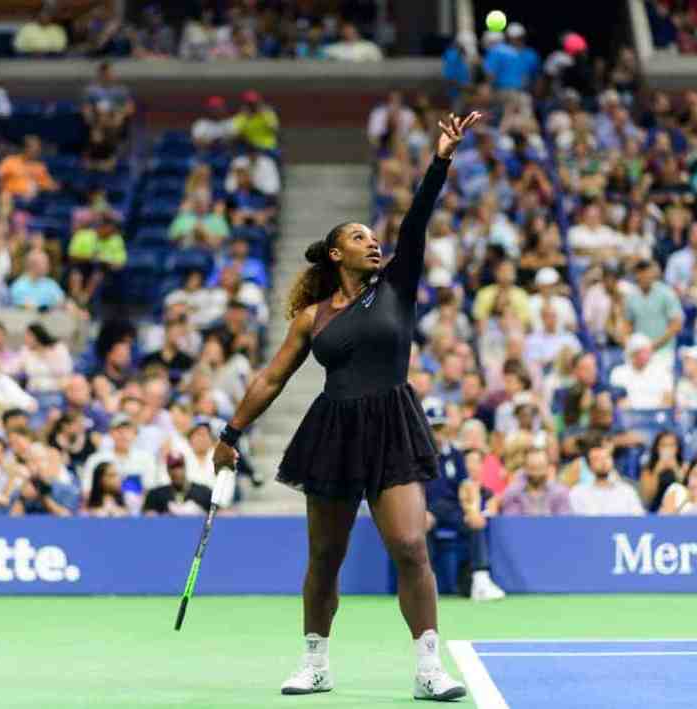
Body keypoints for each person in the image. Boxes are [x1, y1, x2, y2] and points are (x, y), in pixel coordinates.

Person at [212, 112, 482, 701]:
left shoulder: (397, 286)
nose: (372, 241)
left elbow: (416, 220)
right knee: (325, 558)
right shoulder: (311, 318)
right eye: (359, 237)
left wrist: (440, 161)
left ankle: (429, 667)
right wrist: (230, 434)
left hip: (391, 424)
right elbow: (272, 378)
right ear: (336, 253)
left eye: (372, 236)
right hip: (333, 429)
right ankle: (315, 663)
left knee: (410, 545)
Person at [421, 397, 505, 602]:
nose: (437, 434)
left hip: (452, 510)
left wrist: (472, 510)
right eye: (433, 428)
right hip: (425, 511)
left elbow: (466, 486)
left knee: (475, 523)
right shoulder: (416, 457)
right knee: (420, 527)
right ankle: (423, 584)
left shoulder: (456, 455)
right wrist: (421, 513)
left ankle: (480, 579)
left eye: (440, 428)